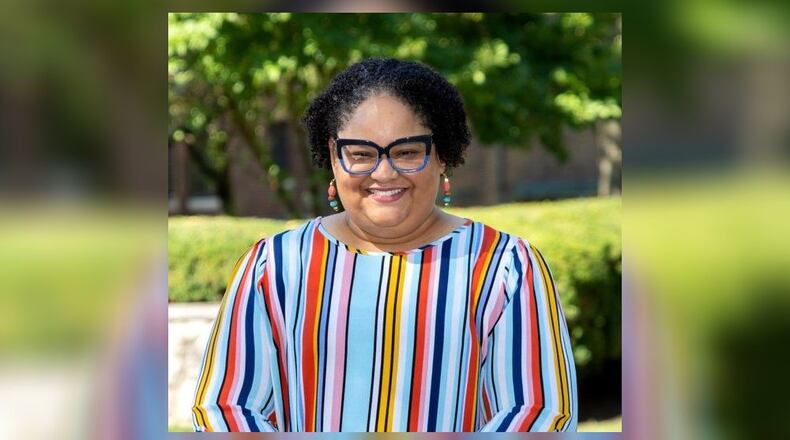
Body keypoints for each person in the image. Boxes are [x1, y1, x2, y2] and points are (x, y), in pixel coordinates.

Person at [192, 58, 577, 432]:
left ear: (441, 154)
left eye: (407, 152)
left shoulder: (504, 267)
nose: (383, 172)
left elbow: (538, 414)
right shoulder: (273, 267)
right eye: (360, 154)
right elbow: (225, 408)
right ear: (333, 155)